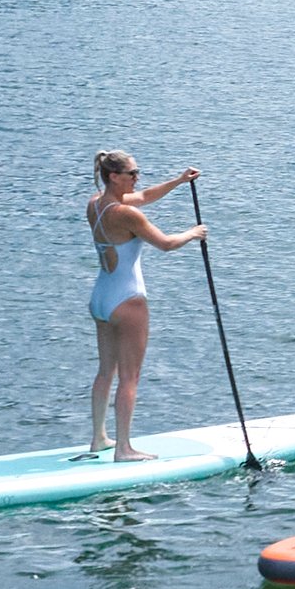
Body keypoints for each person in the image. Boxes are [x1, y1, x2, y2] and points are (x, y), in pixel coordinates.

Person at [82, 151, 205, 459]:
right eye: (132, 173)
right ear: (114, 176)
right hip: (127, 300)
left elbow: (145, 196)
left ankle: (99, 438)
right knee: (130, 377)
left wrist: (178, 181)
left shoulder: (96, 204)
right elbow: (165, 244)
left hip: (100, 298)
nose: (138, 178)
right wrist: (193, 233)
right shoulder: (127, 214)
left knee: (105, 372)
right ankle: (123, 448)